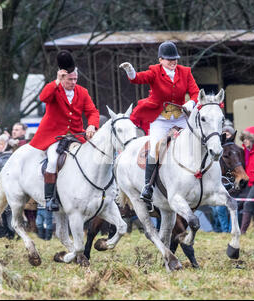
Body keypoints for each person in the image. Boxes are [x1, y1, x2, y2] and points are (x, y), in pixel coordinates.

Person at [119, 41, 200, 202]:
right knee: (155, 149)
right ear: (160, 60)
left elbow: (195, 92)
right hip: (161, 120)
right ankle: (148, 185)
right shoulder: (154, 72)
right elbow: (138, 79)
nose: (173, 62)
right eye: (169, 59)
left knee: (197, 140)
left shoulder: (185, 72)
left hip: (181, 116)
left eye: (175, 59)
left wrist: (191, 103)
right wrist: (130, 71)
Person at [30, 50, 100, 212]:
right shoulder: (54, 89)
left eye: (75, 79)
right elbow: (43, 98)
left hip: (76, 135)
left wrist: (91, 126)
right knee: (53, 160)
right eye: (70, 79)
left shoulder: (82, 92)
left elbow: (92, 112)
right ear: (62, 78)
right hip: (54, 136)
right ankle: (49, 199)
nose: (73, 82)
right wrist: (56, 81)